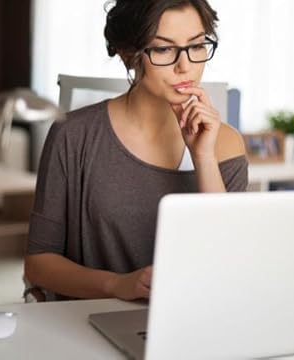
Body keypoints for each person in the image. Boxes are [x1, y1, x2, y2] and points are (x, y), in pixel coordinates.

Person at [24, 0, 248, 302]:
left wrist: (203, 157)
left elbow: (227, 262)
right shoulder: (73, 135)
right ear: (130, 54)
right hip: (89, 319)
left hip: (190, 319)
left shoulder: (224, 143)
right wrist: (117, 285)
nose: (186, 66)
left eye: (196, 46)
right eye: (163, 49)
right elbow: (39, 263)